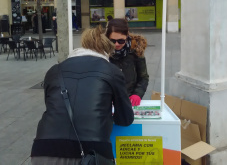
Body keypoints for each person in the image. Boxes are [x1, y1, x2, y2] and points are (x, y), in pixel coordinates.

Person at [31, 25, 134, 165]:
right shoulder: (112, 71)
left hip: (44, 149)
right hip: (92, 153)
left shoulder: (55, 70)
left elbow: (52, 105)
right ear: (106, 50)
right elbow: (125, 119)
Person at [105, 18, 149, 106]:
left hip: (129, 101)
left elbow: (143, 77)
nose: (116, 44)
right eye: (112, 41)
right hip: (107, 102)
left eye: (121, 41)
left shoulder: (136, 52)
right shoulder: (102, 53)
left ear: (127, 36)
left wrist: (137, 94)